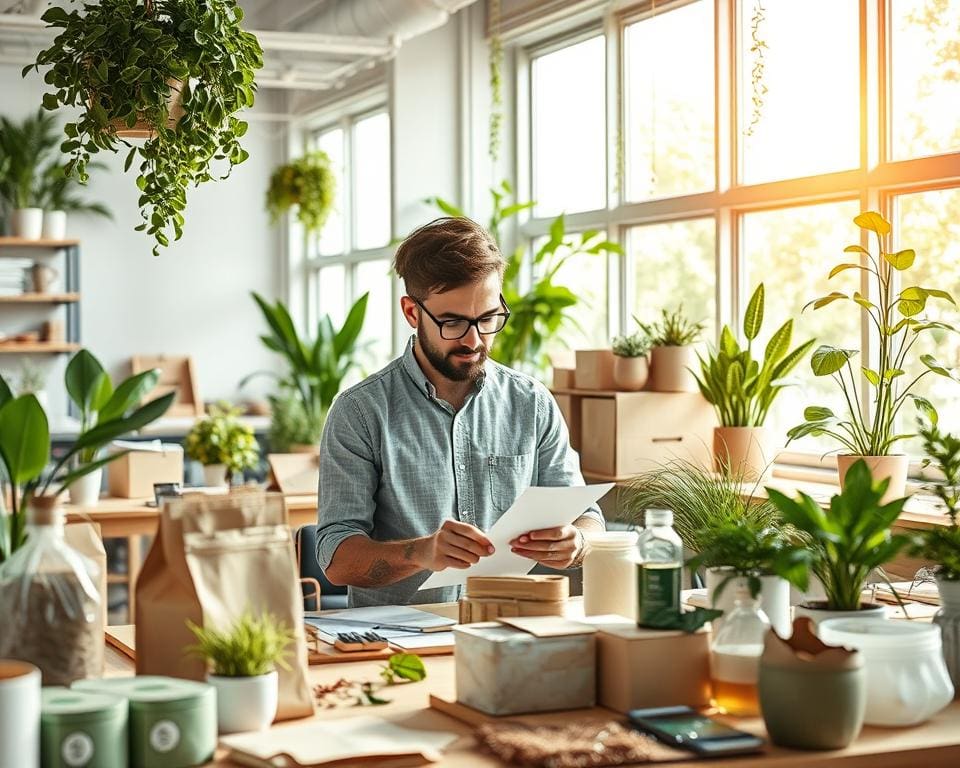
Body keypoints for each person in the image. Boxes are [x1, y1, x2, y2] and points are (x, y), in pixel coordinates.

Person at [316, 216, 605, 607]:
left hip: (509, 625)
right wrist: (421, 553)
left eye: (487, 319)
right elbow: (335, 558)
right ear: (411, 312)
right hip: (399, 640)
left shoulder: (531, 403)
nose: (474, 340)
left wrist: (579, 542)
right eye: (452, 322)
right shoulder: (360, 412)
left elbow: (588, 515)